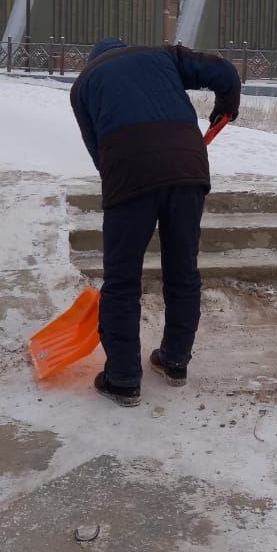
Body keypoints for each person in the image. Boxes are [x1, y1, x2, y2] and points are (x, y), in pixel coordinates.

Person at [70, 38, 241, 407]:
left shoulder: (83, 85)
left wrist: (127, 182)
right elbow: (225, 73)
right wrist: (228, 106)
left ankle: (123, 378)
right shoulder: (160, 55)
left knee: (122, 279)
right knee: (182, 269)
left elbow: (99, 151)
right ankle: (175, 361)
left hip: (129, 174)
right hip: (188, 168)